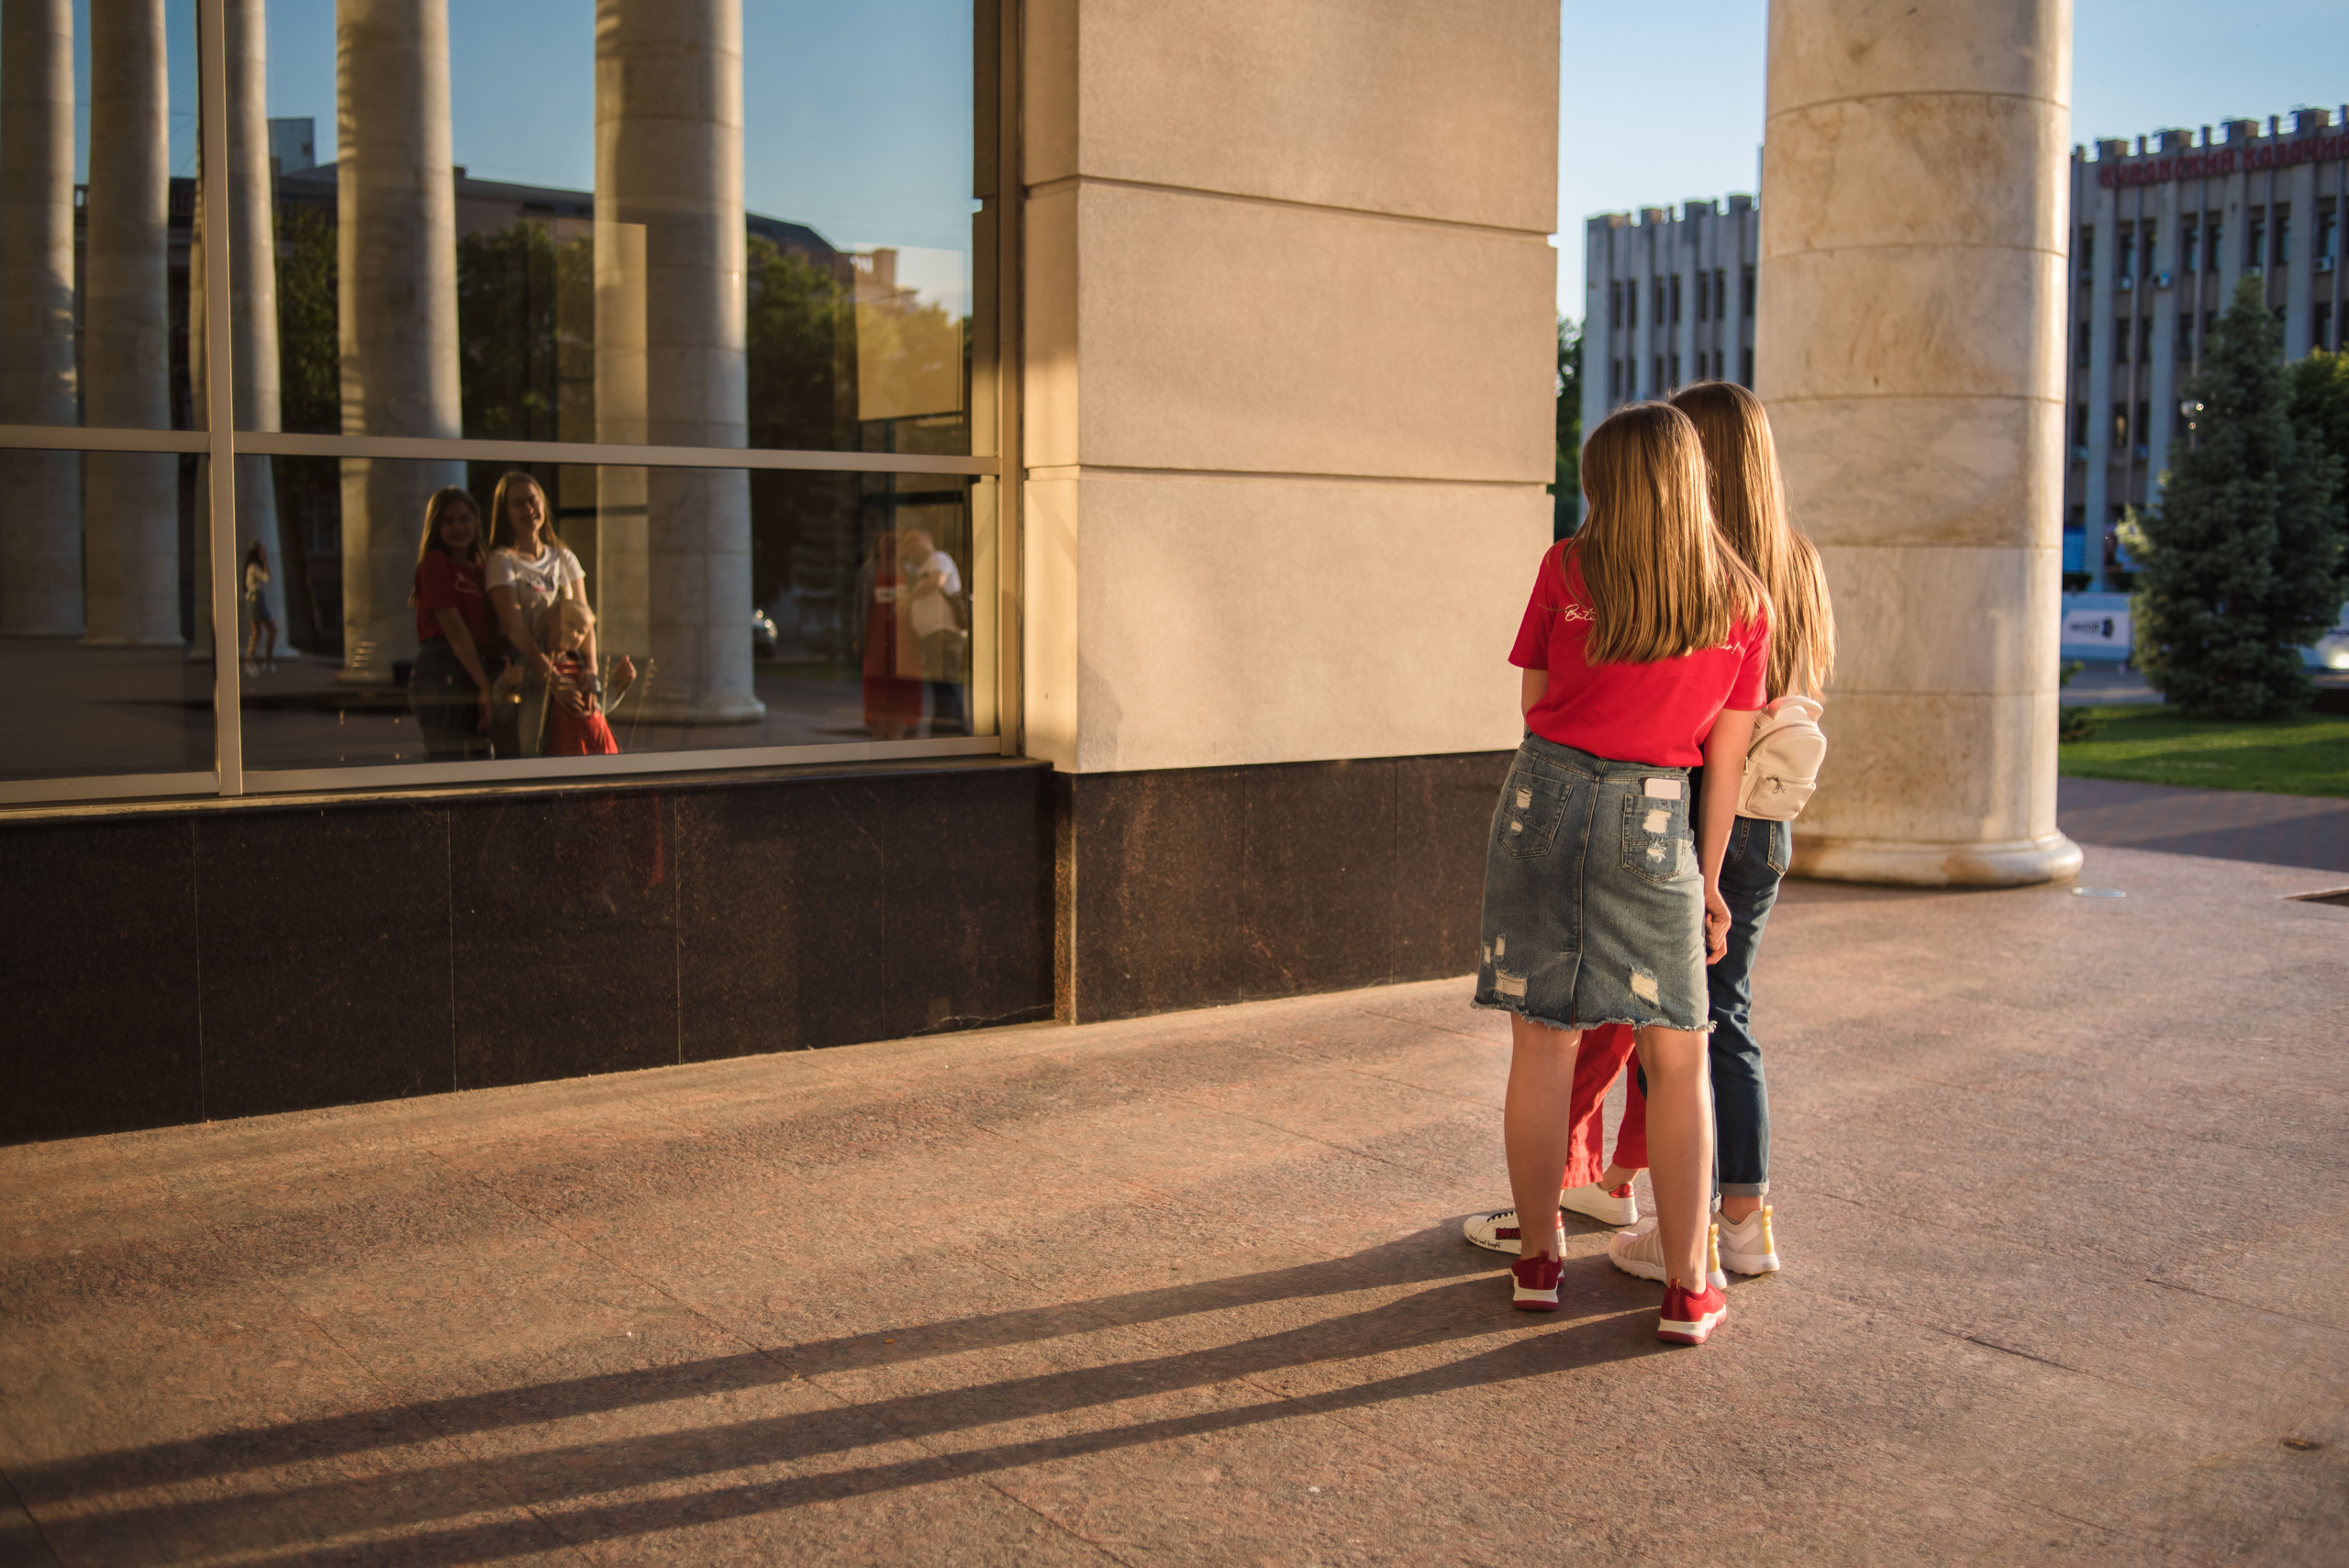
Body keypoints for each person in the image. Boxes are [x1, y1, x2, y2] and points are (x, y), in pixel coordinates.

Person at [1465, 380, 1835, 1288]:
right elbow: (1731, 743)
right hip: (1680, 814)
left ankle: (1543, 1251)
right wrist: (1705, 879)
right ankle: (1696, 1263)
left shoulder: (1574, 566)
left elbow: (1537, 705)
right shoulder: (1754, 589)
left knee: (1550, 1038)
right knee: (1690, 1042)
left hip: (1562, 799)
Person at [484, 471, 595, 759]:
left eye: (533, 500)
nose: (528, 509)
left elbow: (585, 622)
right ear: (505, 512)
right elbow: (515, 628)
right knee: (529, 756)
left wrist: (591, 670)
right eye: (518, 503)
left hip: (567, 672)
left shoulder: (563, 557)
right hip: (527, 675)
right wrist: (551, 678)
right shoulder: (502, 561)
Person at [406, 486, 500, 762]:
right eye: (448, 521)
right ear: (436, 527)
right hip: (443, 669)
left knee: (481, 765)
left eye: (464, 518)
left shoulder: (483, 571)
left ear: (476, 520)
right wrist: (485, 687)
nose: (458, 527)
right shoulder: (435, 563)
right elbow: (456, 632)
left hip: (478, 667)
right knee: (449, 767)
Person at [533, 600, 636, 757]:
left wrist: (620, 682)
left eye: (581, 631)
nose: (574, 634)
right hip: (562, 752)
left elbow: (598, 706)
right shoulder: (536, 665)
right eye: (569, 624)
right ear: (551, 617)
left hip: (600, 747)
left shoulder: (582, 668)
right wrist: (508, 683)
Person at [900, 528, 968, 736]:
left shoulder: (938, 558)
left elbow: (936, 581)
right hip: (934, 635)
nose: (911, 546)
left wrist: (908, 600)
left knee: (945, 686)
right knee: (943, 686)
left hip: (944, 634)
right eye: (907, 543)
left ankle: (943, 735)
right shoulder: (923, 567)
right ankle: (952, 735)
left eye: (914, 540)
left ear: (928, 538)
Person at [856, 528, 922, 740]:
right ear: (877, 545)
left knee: (902, 689)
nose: (889, 546)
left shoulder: (911, 572)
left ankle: (896, 741)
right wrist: (857, 636)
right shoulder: (868, 572)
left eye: (893, 542)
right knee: (877, 687)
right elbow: (858, 607)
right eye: (885, 541)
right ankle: (878, 740)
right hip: (876, 640)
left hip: (904, 641)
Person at [240, 539, 277, 675]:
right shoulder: (254, 567)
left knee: (257, 633)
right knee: (271, 629)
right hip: (256, 599)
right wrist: (265, 561)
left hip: (254, 599)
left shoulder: (251, 566)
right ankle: (264, 662)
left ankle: (253, 663)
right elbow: (267, 578)